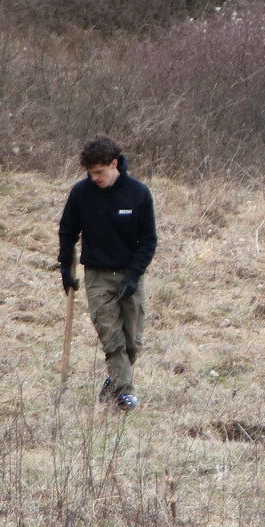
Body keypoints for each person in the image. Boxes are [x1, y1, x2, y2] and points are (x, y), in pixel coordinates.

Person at [57, 137, 157, 411]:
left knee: (132, 344)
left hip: (130, 274)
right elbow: (67, 231)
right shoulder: (81, 193)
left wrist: (134, 276)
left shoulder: (138, 193)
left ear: (115, 165)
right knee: (112, 340)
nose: (95, 178)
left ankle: (112, 382)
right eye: (90, 173)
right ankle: (125, 394)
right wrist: (66, 267)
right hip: (97, 276)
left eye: (99, 172)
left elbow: (148, 240)